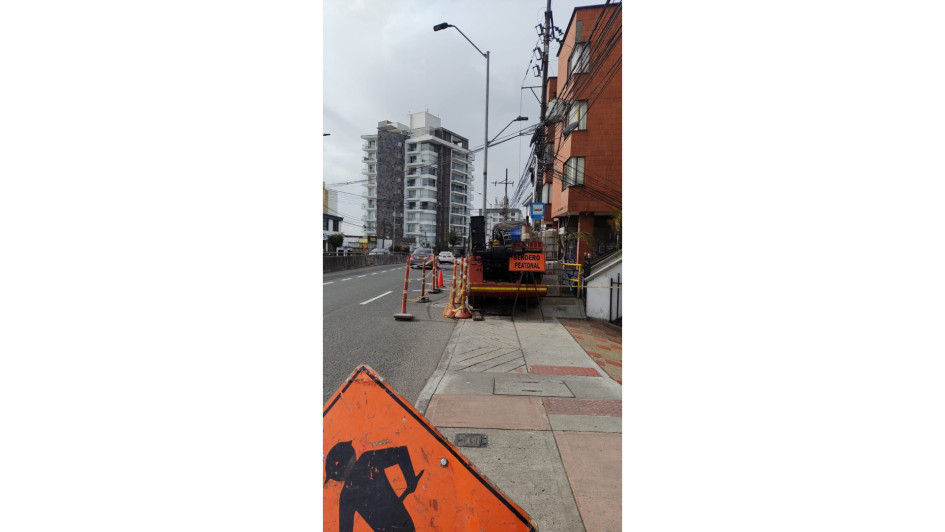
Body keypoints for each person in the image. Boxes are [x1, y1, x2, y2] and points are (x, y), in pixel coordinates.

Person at [325, 441, 424, 532]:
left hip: (404, 524)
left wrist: (410, 480)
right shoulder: (367, 460)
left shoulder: (346, 494)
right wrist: (410, 479)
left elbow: (401, 453)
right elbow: (401, 453)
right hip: (404, 523)